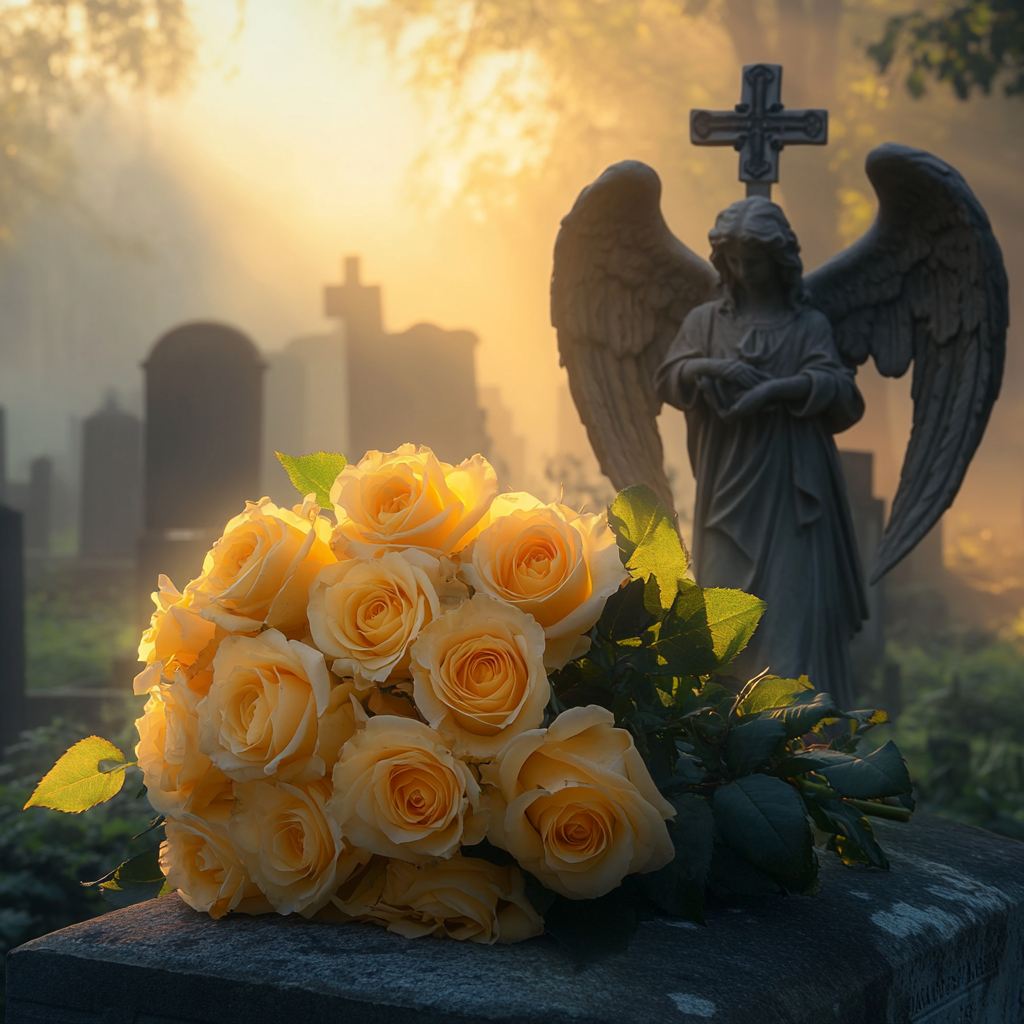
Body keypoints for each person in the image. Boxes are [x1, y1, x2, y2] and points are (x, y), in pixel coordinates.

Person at [655, 196, 867, 706]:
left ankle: (796, 742)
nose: (744, 272)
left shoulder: (806, 326)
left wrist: (776, 390)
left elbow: (844, 395)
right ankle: (725, 742)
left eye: (755, 261)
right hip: (728, 485)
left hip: (794, 487)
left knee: (789, 618)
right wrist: (713, 368)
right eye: (734, 262)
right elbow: (668, 378)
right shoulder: (707, 322)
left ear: (781, 261)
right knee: (725, 614)